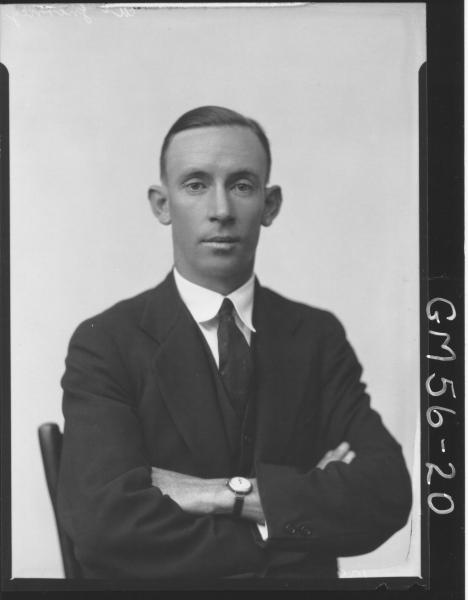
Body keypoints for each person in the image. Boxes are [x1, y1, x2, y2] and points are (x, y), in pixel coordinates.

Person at [57, 106, 412, 580]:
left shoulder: (315, 337)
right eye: (196, 184)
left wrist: (222, 495)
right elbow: (104, 527)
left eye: (242, 185)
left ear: (270, 204)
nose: (221, 210)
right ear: (162, 205)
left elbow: (386, 494)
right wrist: (282, 525)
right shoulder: (107, 343)